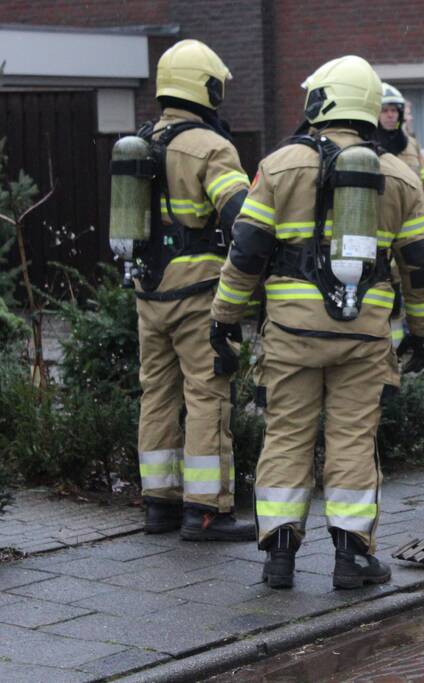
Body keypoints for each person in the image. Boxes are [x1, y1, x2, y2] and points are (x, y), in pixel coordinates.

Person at [210, 55, 424, 589]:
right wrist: (422, 332)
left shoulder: (280, 164)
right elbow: (421, 268)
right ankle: (352, 559)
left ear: (319, 103)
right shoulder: (401, 176)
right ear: (369, 108)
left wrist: (224, 317)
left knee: (287, 437)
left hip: (291, 334)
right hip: (364, 332)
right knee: (353, 440)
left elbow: (246, 253)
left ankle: (280, 558)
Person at [122, 39, 255, 542]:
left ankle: (159, 505)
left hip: (147, 294)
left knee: (155, 394)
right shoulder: (212, 147)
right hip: (198, 293)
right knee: (207, 395)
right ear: (208, 88)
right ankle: (206, 510)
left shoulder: (139, 142)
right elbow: (244, 218)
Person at [377, 82, 424, 183]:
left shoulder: (412, 144)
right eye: (384, 111)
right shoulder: (368, 144)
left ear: (399, 114)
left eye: (394, 110)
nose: (390, 115)